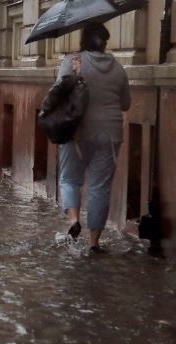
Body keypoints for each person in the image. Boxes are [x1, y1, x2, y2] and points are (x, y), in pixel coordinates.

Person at [58, 22, 130, 253]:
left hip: (76, 132)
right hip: (109, 135)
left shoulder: (73, 62)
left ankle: (73, 221)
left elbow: (58, 93)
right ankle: (94, 243)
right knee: (100, 188)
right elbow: (126, 103)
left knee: (70, 179)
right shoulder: (118, 68)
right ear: (105, 42)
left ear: (83, 39)